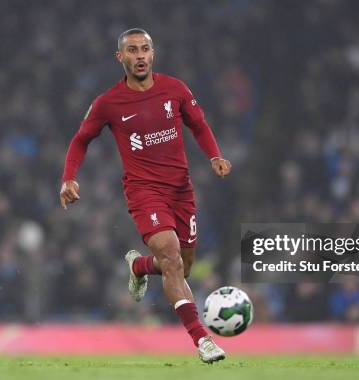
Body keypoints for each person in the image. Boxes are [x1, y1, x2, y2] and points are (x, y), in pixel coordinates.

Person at [59, 28, 231, 363]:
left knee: (184, 266)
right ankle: (202, 341)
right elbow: (81, 140)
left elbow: (198, 124)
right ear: (120, 57)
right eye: (133, 50)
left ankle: (139, 266)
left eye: (145, 49)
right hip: (144, 191)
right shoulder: (108, 103)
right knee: (171, 256)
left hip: (181, 190)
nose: (140, 56)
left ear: (153, 54)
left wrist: (214, 155)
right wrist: (68, 178)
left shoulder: (175, 89)